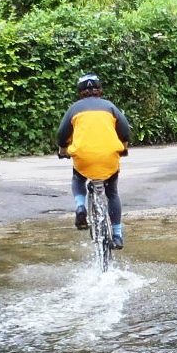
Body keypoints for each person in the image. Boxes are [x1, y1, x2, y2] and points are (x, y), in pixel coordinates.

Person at [57, 73, 132, 249]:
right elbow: (125, 131)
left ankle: (80, 207)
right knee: (112, 193)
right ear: (100, 90)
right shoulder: (110, 107)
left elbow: (62, 134)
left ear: (79, 92)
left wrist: (63, 150)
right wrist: (124, 148)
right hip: (108, 158)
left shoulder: (74, 109)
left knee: (78, 178)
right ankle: (117, 234)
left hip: (84, 158)